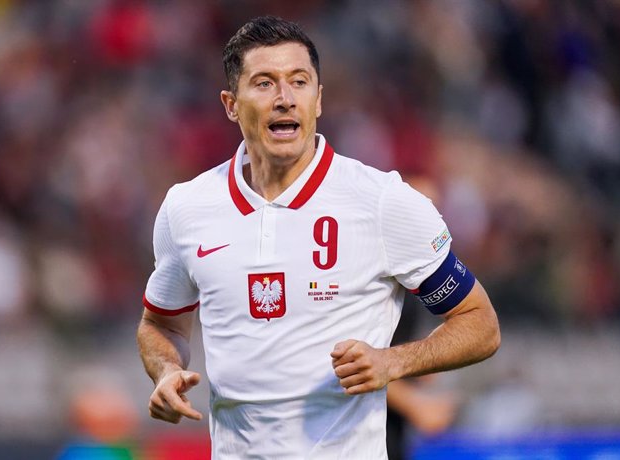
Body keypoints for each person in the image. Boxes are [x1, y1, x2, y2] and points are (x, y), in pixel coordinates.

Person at [137, 16, 500, 460]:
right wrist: (166, 370)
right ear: (231, 104)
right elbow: (161, 324)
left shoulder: (381, 201)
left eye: (299, 81)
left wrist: (393, 362)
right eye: (265, 83)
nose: (285, 99)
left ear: (319, 99)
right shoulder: (187, 207)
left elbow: (480, 323)